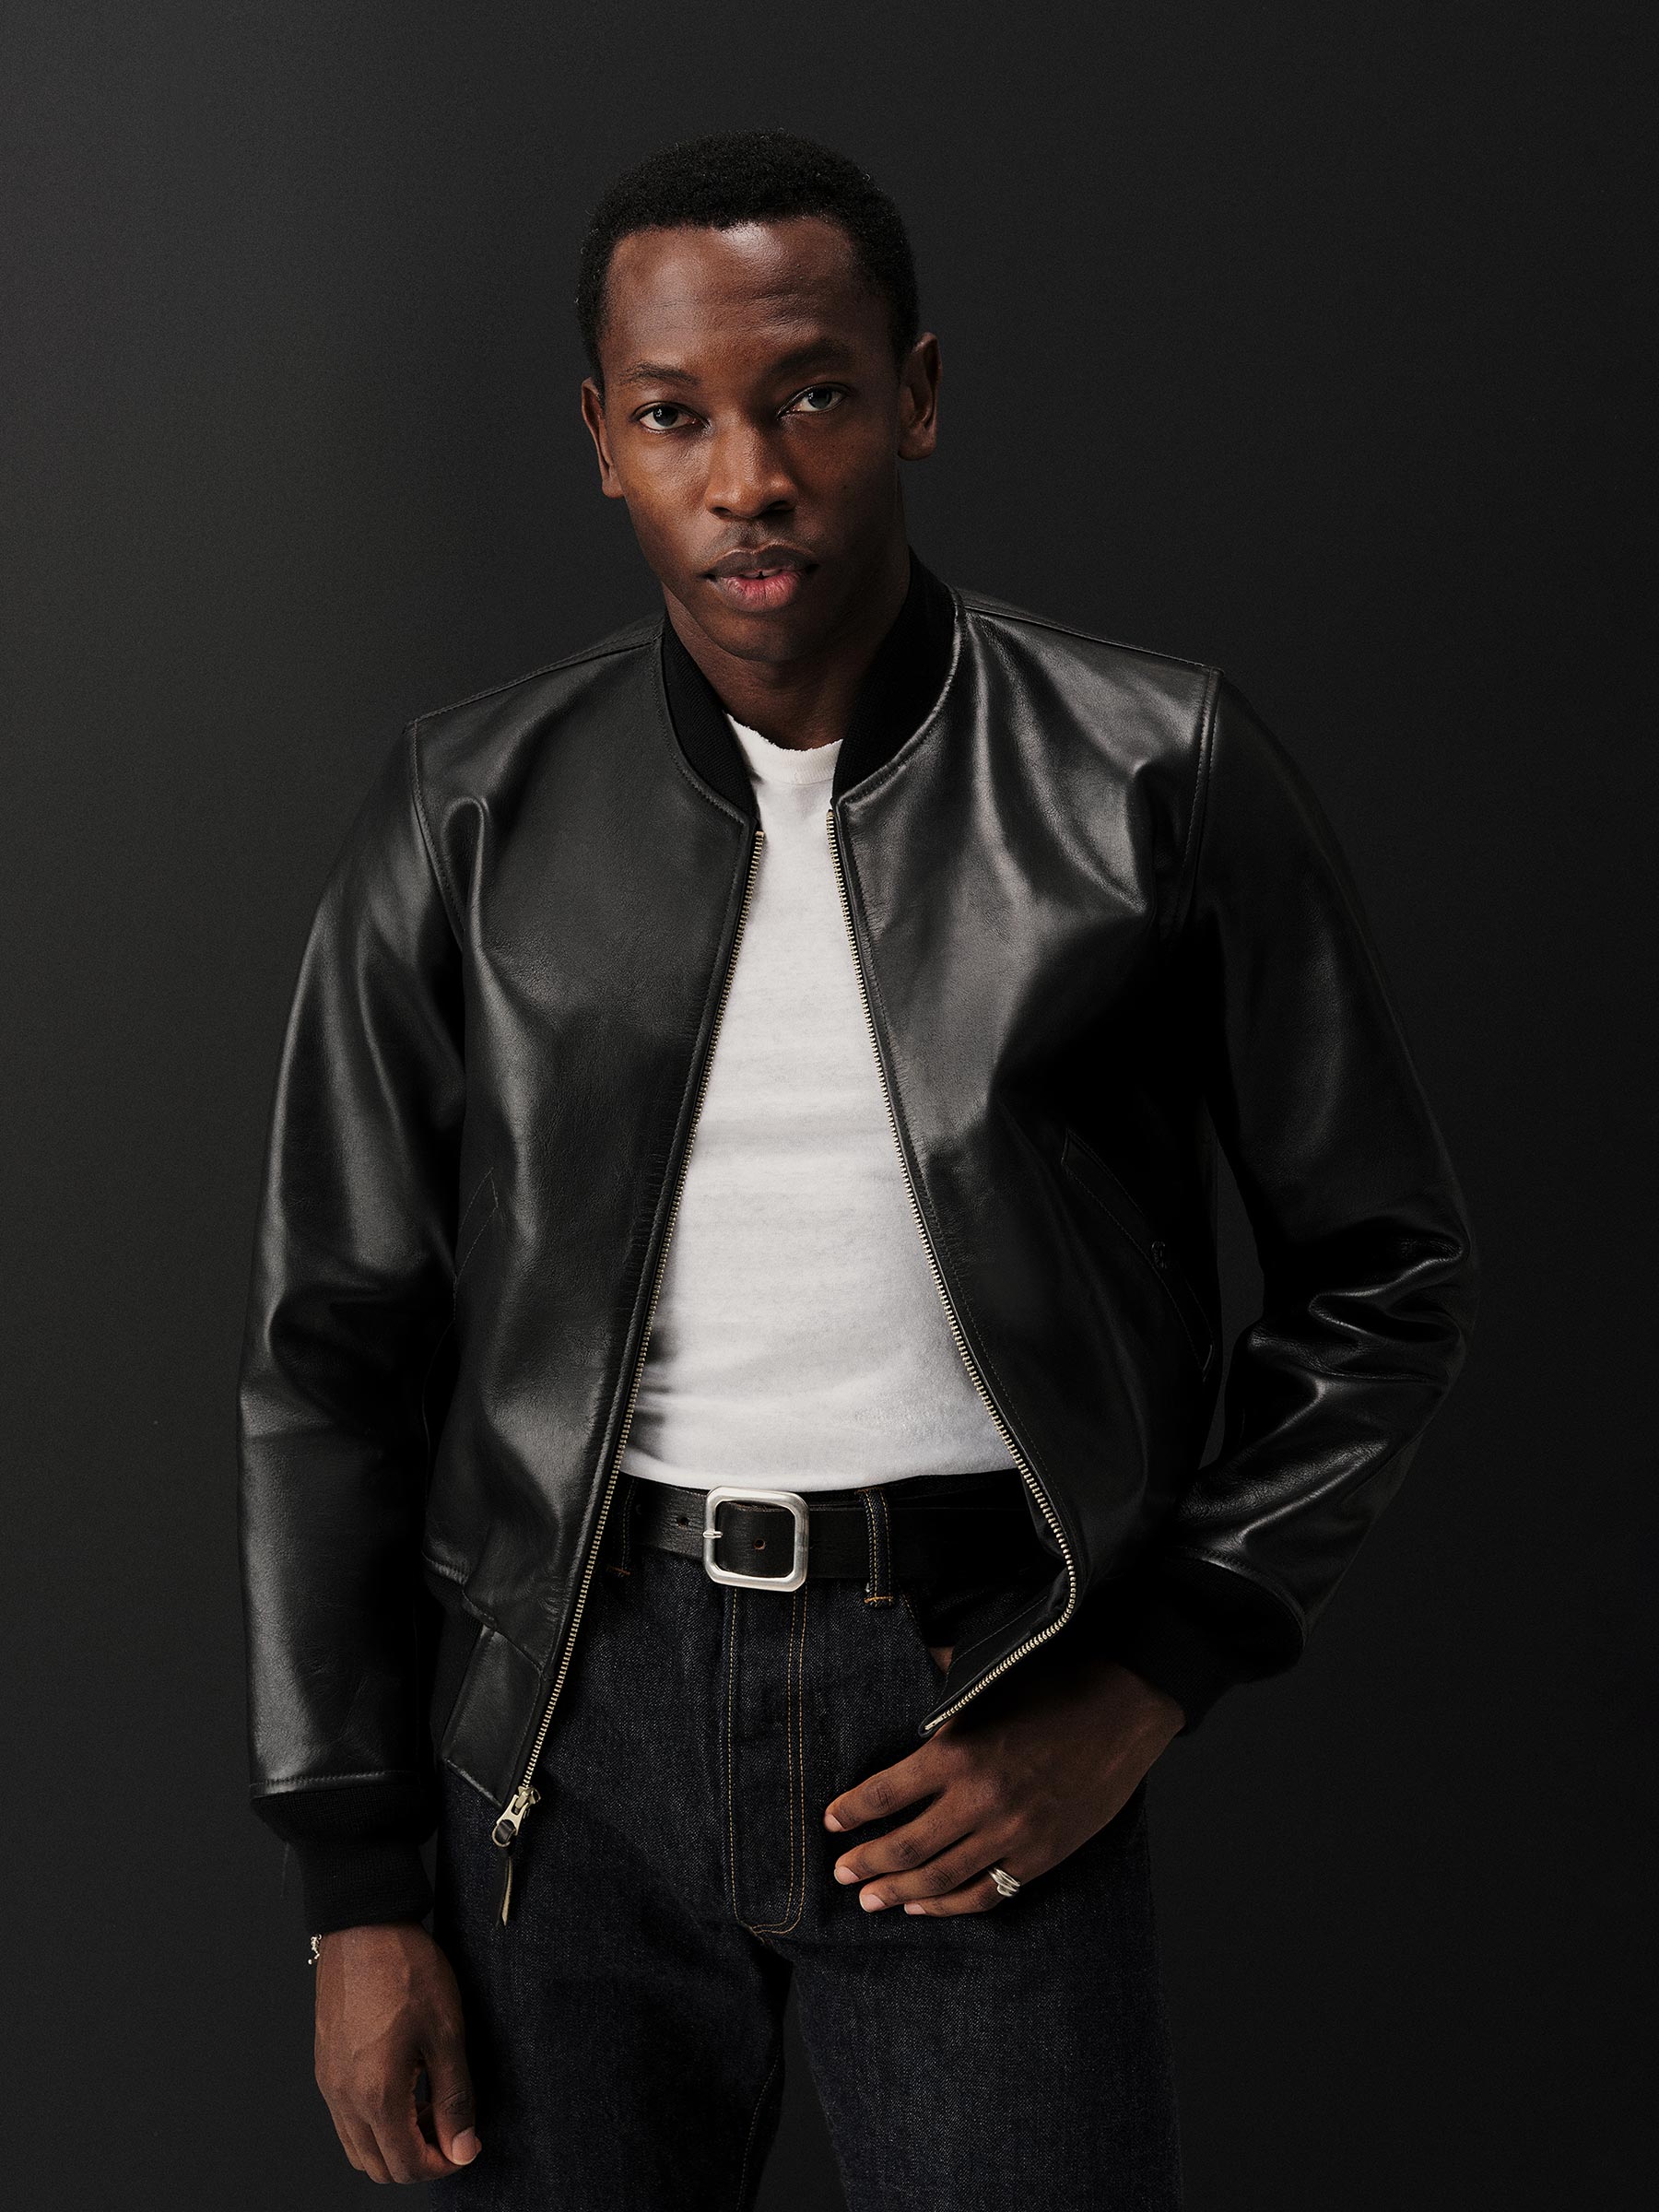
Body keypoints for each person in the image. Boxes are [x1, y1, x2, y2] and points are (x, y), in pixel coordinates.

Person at [237, 129, 1477, 2207]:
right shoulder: (468, 810)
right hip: (568, 1738)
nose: (750, 478)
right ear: (601, 440)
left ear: (914, 393)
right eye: (675, 416)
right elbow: (328, 1356)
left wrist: (1143, 1682)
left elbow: (1388, 1273)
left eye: (810, 393)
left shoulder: (1148, 772)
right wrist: (354, 1886)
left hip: (973, 1704)